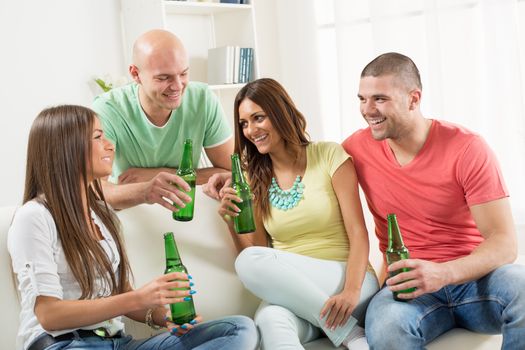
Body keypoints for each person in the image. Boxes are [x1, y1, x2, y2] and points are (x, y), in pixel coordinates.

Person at [7, 105, 257, 350]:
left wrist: (163, 316)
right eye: (97, 137)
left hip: (118, 343)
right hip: (66, 344)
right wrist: (139, 297)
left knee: (238, 329)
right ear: (65, 149)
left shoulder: (103, 216)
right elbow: (49, 314)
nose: (110, 145)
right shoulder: (35, 217)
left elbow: (122, 294)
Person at [342, 52, 525, 349]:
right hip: (409, 287)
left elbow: (504, 242)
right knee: (388, 330)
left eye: (379, 99)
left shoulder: (467, 147)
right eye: (362, 99)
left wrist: (444, 273)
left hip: (476, 279)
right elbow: (299, 160)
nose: (367, 110)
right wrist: (235, 175)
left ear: (414, 99)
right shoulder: (356, 148)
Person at [210, 78, 379, 349]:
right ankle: (348, 333)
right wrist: (231, 221)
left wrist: (351, 291)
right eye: (244, 123)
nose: (251, 130)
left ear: (280, 113)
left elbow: (359, 233)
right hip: (304, 299)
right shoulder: (255, 180)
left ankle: (350, 332)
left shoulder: (328, 155)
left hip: (349, 282)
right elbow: (260, 255)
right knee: (269, 318)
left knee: (250, 265)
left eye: (258, 118)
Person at [92, 29, 234, 211]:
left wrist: (161, 175)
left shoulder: (203, 99)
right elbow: (94, 188)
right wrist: (145, 191)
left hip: (188, 209)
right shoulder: (107, 110)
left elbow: (232, 174)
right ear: (135, 74)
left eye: (183, 74)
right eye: (163, 77)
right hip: (133, 214)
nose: (177, 86)